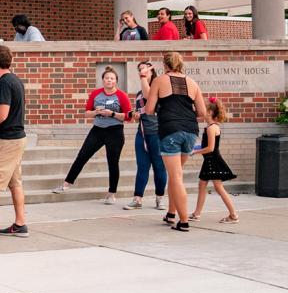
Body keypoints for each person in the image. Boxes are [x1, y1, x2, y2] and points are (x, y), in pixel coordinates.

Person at [144, 51, 209, 232]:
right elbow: (202, 112)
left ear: (165, 65)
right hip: (190, 131)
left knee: (176, 176)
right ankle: (171, 213)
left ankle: (184, 220)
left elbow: (149, 110)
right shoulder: (192, 82)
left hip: (170, 130)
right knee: (176, 174)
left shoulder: (159, 81)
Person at [53, 66, 130, 204]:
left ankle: (111, 194)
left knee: (113, 162)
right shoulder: (96, 94)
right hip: (98, 129)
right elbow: (87, 112)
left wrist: (111, 113)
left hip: (115, 131)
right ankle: (66, 184)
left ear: (116, 81)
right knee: (82, 155)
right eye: (107, 78)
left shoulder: (121, 95)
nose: (109, 80)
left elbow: (128, 116)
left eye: (112, 78)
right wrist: (96, 112)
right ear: (103, 80)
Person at [0, 45, 29, 237]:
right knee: (15, 182)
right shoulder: (16, 81)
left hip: (8, 140)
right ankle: (20, 224)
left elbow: (2, 113)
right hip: (18, 138)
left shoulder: (4, 82)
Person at [190, 97, 239, 224]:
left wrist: (195, 152)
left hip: (213, 160)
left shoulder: (212, 128)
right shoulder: (210, 127)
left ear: (210, 112)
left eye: (203, 110)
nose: (201, 112)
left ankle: (233, 215)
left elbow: (210, 148)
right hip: (209, 161)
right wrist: (196, 147)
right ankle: (196, 213)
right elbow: (207, 146)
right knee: (202, 185)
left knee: (218, 187)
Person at [125, 61, 166, 211]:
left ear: (151, 71)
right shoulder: (138, 94)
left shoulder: (159, 89)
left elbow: (150, 99)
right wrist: (135, 115)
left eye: (145, 69)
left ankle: (160, 199)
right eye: (139, 70)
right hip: (142, 133)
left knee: (159, 167)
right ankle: (137, 199)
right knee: (142, 167)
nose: (142, 71)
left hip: (157, 133)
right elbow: (140, 113)